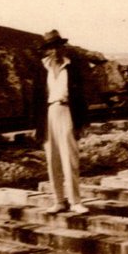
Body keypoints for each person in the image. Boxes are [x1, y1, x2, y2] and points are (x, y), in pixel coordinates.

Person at [32, 29, 89, 214]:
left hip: (67, 112)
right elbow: (36, 99)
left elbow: (81, 97)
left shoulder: (72, 67)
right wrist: (36, 126)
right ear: (47, 50)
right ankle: (58, 201)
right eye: (51, 48)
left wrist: (81, 124)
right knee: (52, 159)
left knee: (70, 159)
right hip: (49, 114)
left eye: (57, 47)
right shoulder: (42, 68)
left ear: (62, 47)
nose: (55, 51)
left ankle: (75, 202)